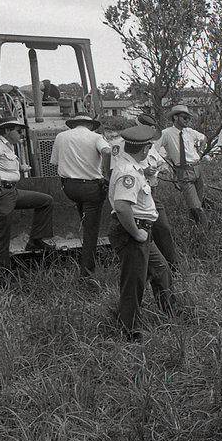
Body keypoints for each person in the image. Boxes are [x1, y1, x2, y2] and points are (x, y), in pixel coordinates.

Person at [107, 125, 174, 340]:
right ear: (145, 149)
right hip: (132, 231)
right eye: (149, 147)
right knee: (133, 282)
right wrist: (136, 233)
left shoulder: (132, 168)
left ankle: (170, 313)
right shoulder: (128, 172)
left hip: (141, 229)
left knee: (161, 269)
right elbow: (122, 207)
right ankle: (130, 330)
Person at [0, 116, 55, 268]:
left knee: (46, 201)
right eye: (18, 131)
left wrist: (19, 168)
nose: (21, 134)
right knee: (1, 235)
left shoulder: (7, 146)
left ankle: (35, 241)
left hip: (11, 191)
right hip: (1, 192)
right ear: (7, 130)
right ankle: (0, 271)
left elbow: (3, 164)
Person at [111, 114, 178, 268]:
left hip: (150, 193)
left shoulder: (149, 146)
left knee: (162, 229)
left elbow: (161, 162)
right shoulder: (120, 146)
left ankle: (169, 266)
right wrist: (144, 172)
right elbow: (121, 170)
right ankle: (150, 265)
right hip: (133, 195)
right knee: (142, 231)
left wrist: (161, 169)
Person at [50, 114, 111, 280]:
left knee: (86, 221)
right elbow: (107, 151)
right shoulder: (96, 137)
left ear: (74, 124)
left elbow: (55, 162)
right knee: (91, 231)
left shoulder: (61, 136)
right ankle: (87, 273)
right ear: (90, 125)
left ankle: (86, 255)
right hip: (91, 188)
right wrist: (107, 176)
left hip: (69, 187)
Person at [155, 105, 208, 222]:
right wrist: (164, 163)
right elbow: (154, 150)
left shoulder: (189, 132)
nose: (187, 120)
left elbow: (203, 138)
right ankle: (206, 227)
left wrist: (200, 153)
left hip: (197, 168)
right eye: (184, 117)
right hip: (184, 171)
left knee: (197, 203)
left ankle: (194, 227)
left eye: (189, 118)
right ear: (175, 117)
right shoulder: (166, 133)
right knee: (195, 206)